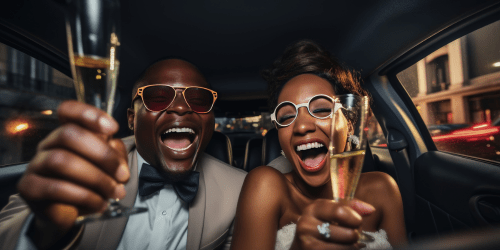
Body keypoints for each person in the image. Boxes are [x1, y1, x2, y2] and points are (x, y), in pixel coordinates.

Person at [0, 59, 246, 250]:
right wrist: (43, 229)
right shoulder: (89, 164)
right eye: (158, 98)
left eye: (199, 100)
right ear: (131, 119)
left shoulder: (240, 189)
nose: (181, 107)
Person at [230, 40, 407, 250]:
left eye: (322, 109)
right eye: (287, 116)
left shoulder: (383, 189)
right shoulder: (265, 187)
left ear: (349, 124)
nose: (302, 126)